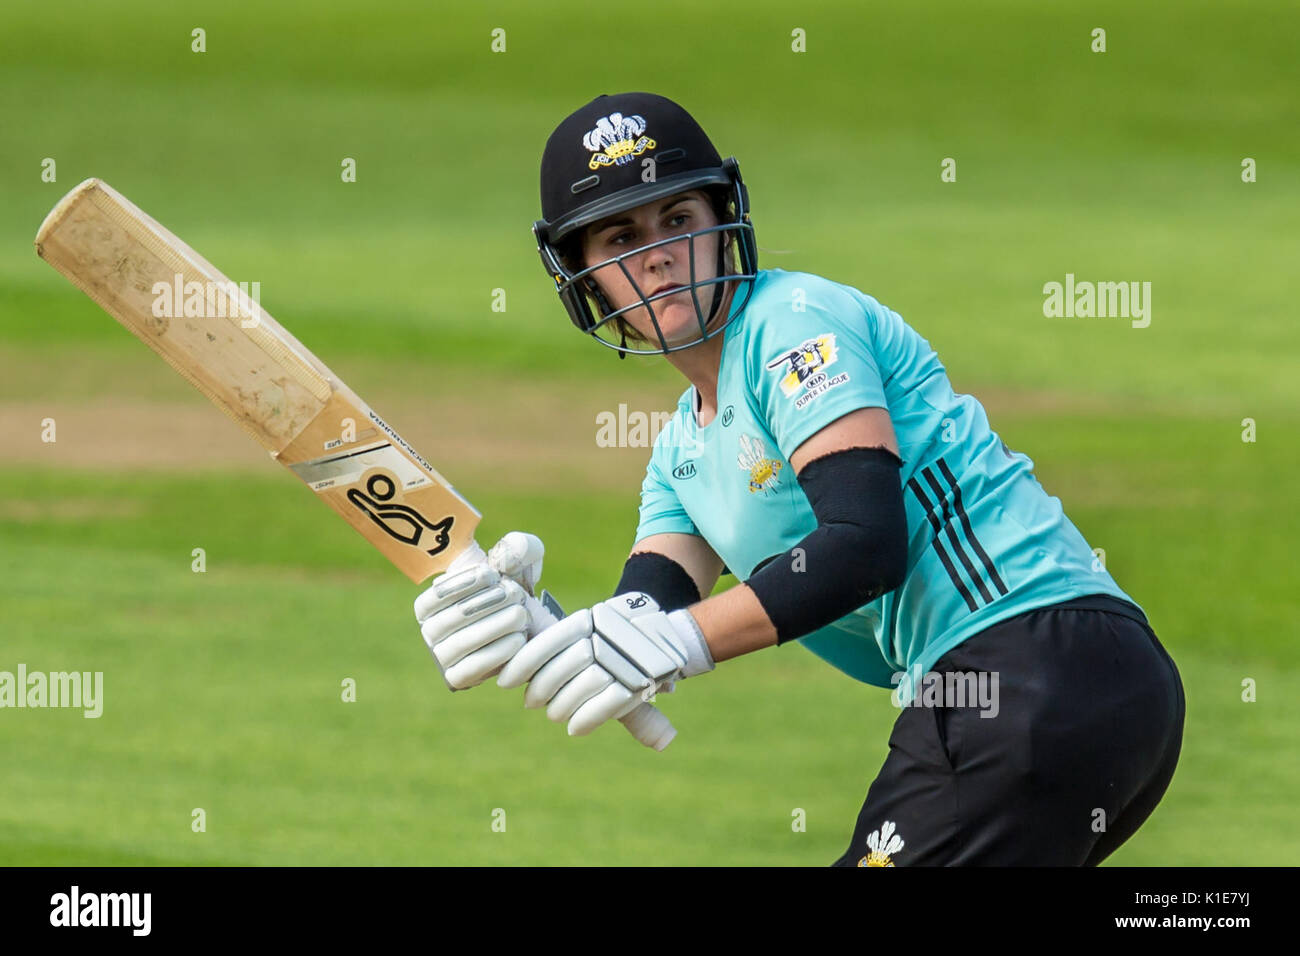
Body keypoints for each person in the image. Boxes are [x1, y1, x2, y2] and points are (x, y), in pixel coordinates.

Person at [414, 92, 1186, 866]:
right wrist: (534, 626)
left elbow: (862, 542)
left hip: (1026, 664)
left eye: (677, 220)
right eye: (621, 236)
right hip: (1060, 690)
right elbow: (647, 612)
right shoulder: (681, 450)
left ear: (722, 225)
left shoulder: (793, 321)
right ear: (585, 275)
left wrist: (676, 643)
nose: (656, 255)